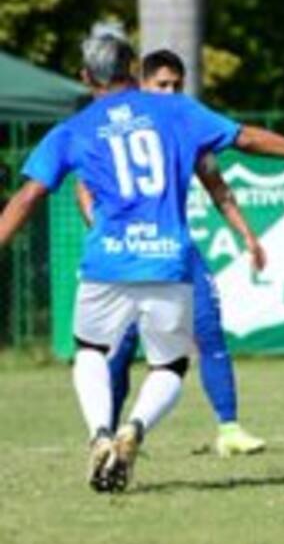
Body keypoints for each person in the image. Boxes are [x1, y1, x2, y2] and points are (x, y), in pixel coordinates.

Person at [0, 30, 284, 493]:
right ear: (133, 69)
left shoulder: (73, 129)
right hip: (168, 263)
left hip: (106, 265)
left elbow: (29, 195)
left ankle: (100, 434)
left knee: (91, 350)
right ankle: (134, 428)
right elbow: (247, 138)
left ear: (84, 76)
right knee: (169, 367)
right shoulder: (176, 110)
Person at [76, 48, 268, 457]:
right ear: (141, 85)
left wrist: (248, 236)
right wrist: (111, 233)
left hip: (176, 254)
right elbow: (84, 188)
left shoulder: (185, 129)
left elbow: (218, 187)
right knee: (120, 347)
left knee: (209, 331)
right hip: (126, 259)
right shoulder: (111, 129)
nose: (170, 91)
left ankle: (229, 428)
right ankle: (108, 434)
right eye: (162, 84)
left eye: (177, 85)